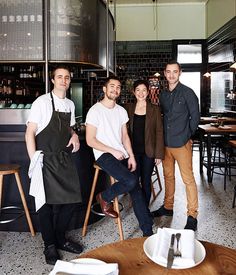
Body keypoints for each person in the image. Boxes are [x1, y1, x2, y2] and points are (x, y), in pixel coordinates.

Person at [25, 65, 83, 265]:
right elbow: (30, 133)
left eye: (66, 77)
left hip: (64, 158)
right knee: (45, 205)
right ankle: (49, 245)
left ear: (69, 80)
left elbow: (68, 127)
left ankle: (60, 238)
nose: (63, 80)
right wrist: (34, 162)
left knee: (71, 200)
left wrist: (74, 135)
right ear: (52, 80)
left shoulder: (70, 104)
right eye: (59, 77)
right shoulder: (41, 102)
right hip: (45, 159)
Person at [85, 76, 153, 237]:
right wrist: (112, 150)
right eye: (112, 86)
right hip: (104, 155)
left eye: (118, 87)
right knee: (130, 180)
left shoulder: (121, 111)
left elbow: (124, 137)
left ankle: (147, 231)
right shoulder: (95, 111)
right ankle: (104, 197)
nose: (115, 90)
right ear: (104, 89)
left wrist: (131, 156)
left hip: (121, 154)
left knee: (136, 188)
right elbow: (90, 140)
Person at [152, 60, 200, 231]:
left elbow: (195, 118)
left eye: (175, 71)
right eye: (168, 72)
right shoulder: (163, 95)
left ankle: (192, 215)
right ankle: (168, 207)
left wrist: (187, 136)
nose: (171, 75)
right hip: (166, 144)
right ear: (165, 73)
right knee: (168, 177)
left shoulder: (188, 93)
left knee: (188, 180)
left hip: (182, 143)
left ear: (180, 73)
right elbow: (162, 117)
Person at [125, 79, 164, 206]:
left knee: (146, 181)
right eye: (138, 90)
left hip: (149, 152)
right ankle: (138, 206)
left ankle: (144, 208)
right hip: (133, 152)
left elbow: (159, 131)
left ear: (148, 92)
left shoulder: (154, 109)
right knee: (134, 181)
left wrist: (158, 154)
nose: (141, 93)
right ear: (133, 92)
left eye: (144, 90)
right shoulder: (128, 108)